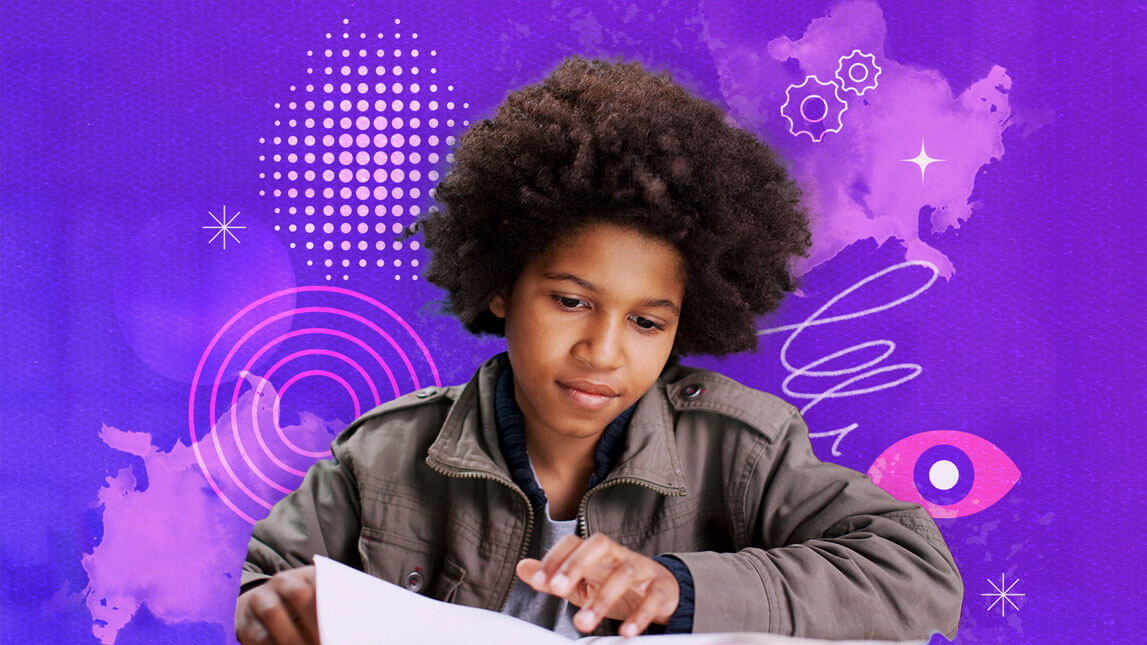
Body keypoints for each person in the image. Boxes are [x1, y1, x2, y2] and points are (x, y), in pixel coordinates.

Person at [234, 55, 963, 644]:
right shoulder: (381, 456)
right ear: (500, 285)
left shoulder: (745, 450)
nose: (603, 351)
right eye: (571, 301)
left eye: (647, 322)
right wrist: (279, 606)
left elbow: (917, 574)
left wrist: (677, 585)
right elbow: (267, 584)